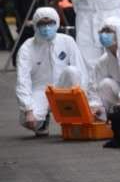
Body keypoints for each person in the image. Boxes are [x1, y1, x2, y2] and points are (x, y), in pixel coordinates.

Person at [15, 7, 89, 136]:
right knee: (29, 121)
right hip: (40, 90)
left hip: (63, 88)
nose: (46, 28)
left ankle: (73, 117)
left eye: (50, 23)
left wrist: (86, 102)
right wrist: (28, 109)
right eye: (42, 24)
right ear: (35, 25)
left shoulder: (67, 41)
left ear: (57, 23)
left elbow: (81, 70)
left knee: (72, 71)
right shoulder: (27, 48)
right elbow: (23, 79)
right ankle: (42, 121)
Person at [90, 16, 120, 117]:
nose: (103, 35)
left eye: (108, 31)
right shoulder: (103, 61)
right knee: (105, 84)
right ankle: (109, 117)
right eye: (102, 31)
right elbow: (94, 86)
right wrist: (95, 106)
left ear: (119, 33)